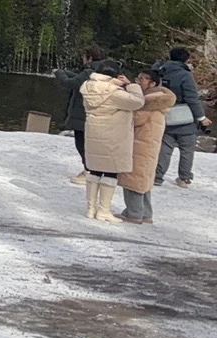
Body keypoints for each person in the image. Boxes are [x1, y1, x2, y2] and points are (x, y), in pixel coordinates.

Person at [81, 70, 145, 222]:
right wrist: (132, 85)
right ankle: (104, 210)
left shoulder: (88, 87)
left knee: (95, 171)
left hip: (94, 134)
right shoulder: (114, 93)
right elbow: (138, 102)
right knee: (111, 173)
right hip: (113, 137)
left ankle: (91, 208)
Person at [118, 68, 176, 224]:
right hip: (148, 146)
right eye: (138, 77)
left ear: (152, 83)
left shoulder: (148, 103)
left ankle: (134, 213)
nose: (139, 80)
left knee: (133, 178)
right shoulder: (158, 102)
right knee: (144, 179)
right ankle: (145, 213)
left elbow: (134, 119)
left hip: (140, 146)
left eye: (143, 78)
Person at [57, 45, 121, 185]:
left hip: (83, 114)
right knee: (92, 144)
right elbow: (80, 78)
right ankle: (94, 170)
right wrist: (67, 72)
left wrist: (59, 73)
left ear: (89, 57)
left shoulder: (89, 71)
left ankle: (89, 171)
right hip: (100, 115)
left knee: (82, 144)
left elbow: (70, 83)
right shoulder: (104, 70)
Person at [155, 47, 209, 187]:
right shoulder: (185, 75)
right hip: (185, 117)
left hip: (166, 113)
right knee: (187, 149)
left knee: (165, 148)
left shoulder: (161, 71)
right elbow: (192, 98)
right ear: (186, 59)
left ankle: (157, 176)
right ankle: (184, 178)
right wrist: (201, 117)